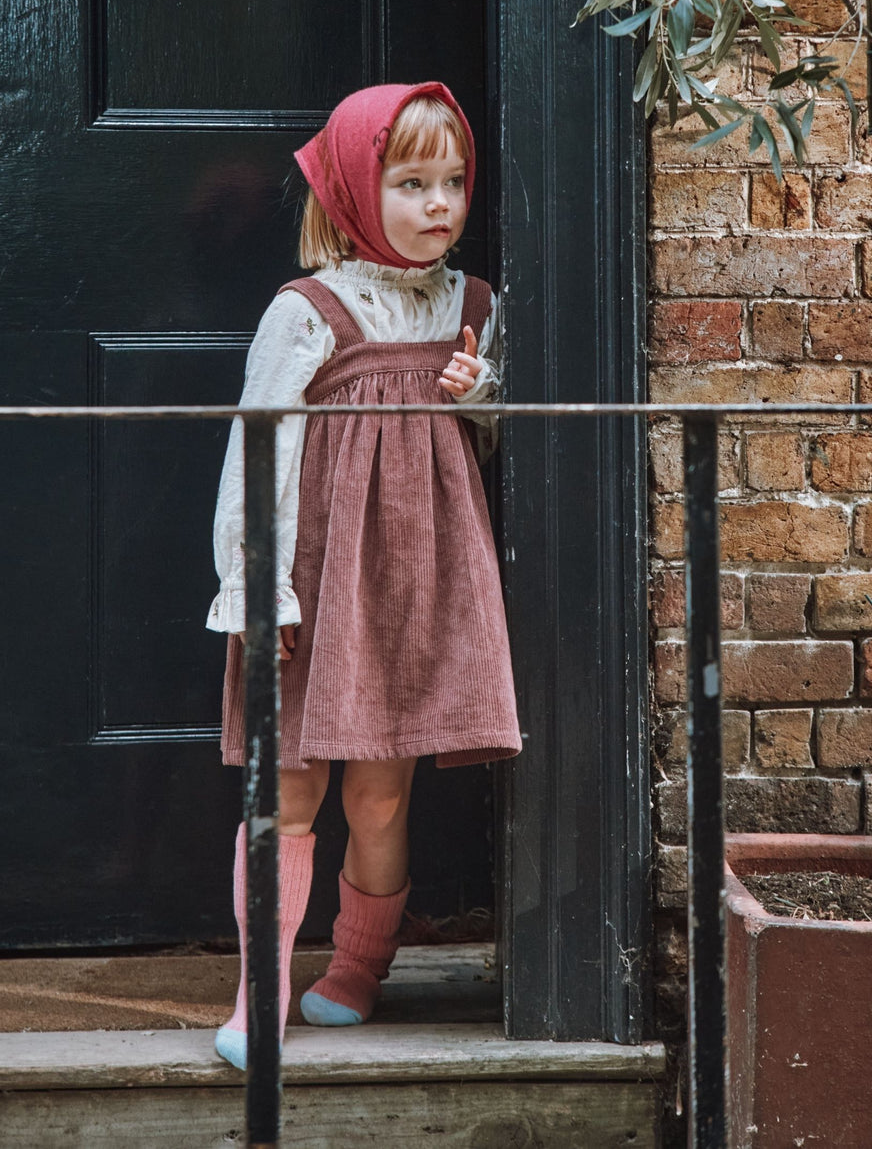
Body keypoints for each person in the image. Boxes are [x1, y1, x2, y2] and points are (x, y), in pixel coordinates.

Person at [206, 82, 522, 1071]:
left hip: (408, 590)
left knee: (381, 799)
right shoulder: (310, 311)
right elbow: (257, 447)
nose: (441, 203)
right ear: (349, 189)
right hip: (311, 584)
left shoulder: (474, 306)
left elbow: (501, 444)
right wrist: (259, 591)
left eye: (456, 181)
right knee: (287, 793)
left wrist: (484, 398)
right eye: (412, 181)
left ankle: (356, 966)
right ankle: (261, 995)